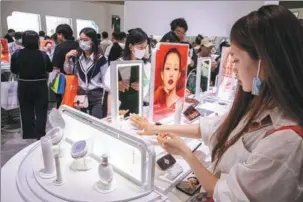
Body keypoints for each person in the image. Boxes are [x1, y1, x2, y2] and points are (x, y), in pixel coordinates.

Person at [131, 5, 303, 202]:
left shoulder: (287, 142)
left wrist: (186, 152)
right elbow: (211, 129)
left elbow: (227, 193)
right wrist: (154, 128)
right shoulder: (259, 105)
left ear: (263, 62)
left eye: (236, 60)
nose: (234, 70)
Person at [10, 30, 52, 140]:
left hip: (24, 85)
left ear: (23, 41)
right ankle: (40, 134)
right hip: (40, 85)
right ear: (37, 41)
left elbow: (13, 70)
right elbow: (50, 68)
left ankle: (29, 134)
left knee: (26, 110)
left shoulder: (17, 54)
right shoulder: (43, 55)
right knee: (41, 111)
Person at [64, 27, 109, 119]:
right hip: (81, 93)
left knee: (97, 122)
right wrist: (67, 58)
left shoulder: (101, 59)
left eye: (86, 40)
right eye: (81, 39)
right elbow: (68, 71)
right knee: (83, 121)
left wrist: (105, 97)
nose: (82, 42)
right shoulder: (77, 56)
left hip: (97, 95)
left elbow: (106, 79)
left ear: (93, 41)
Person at [105, 28, 150, 117]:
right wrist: (109, 114)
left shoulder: (147, 65)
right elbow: (109, 89)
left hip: (141, 110)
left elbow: (149, 88)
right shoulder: (118, 65)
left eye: (145, 47)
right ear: (130, 46)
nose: (144, 50)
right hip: (121, 110)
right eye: (141, 47)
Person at [52, 24, 79, 108]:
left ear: (61, 35)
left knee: (62, 101)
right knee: (76, 101)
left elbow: (55, 66)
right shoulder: (78, 45)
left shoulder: (59, 47)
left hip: (63, 78)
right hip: (78, 78)